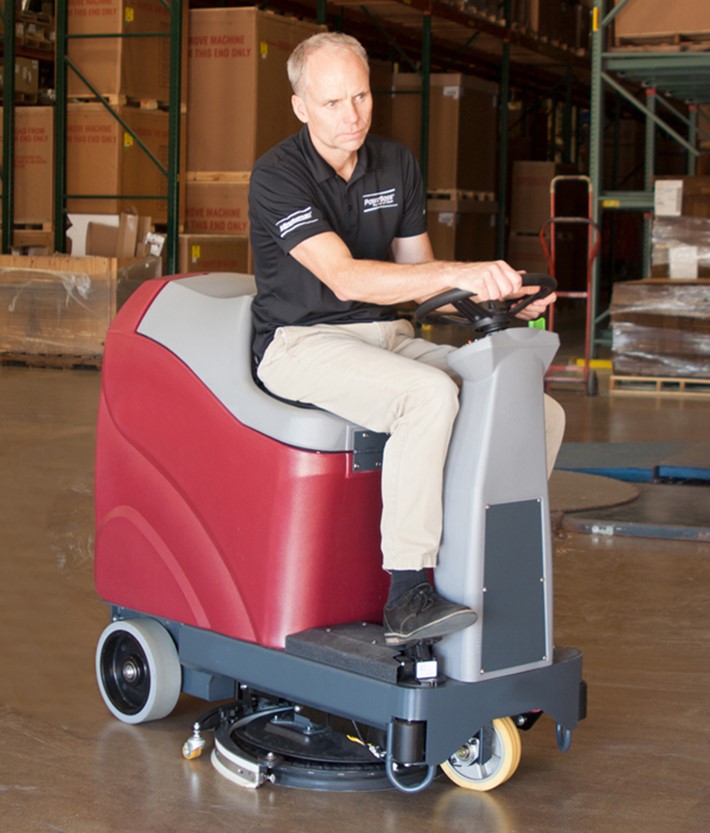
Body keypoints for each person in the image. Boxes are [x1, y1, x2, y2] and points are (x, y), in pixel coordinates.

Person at [249, 32, 564, 647]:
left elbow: (422, 281)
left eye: (361, 96)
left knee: (531, 406)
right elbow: (342, 276)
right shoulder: (277, 176)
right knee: (427, 395)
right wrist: (458, 272)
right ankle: (406, 593)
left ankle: (480, 559)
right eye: (334, 102)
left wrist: (503, 294)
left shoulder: (395, 165)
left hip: (386, 334)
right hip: (300, 342)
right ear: (300, 106)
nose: (352, 115)